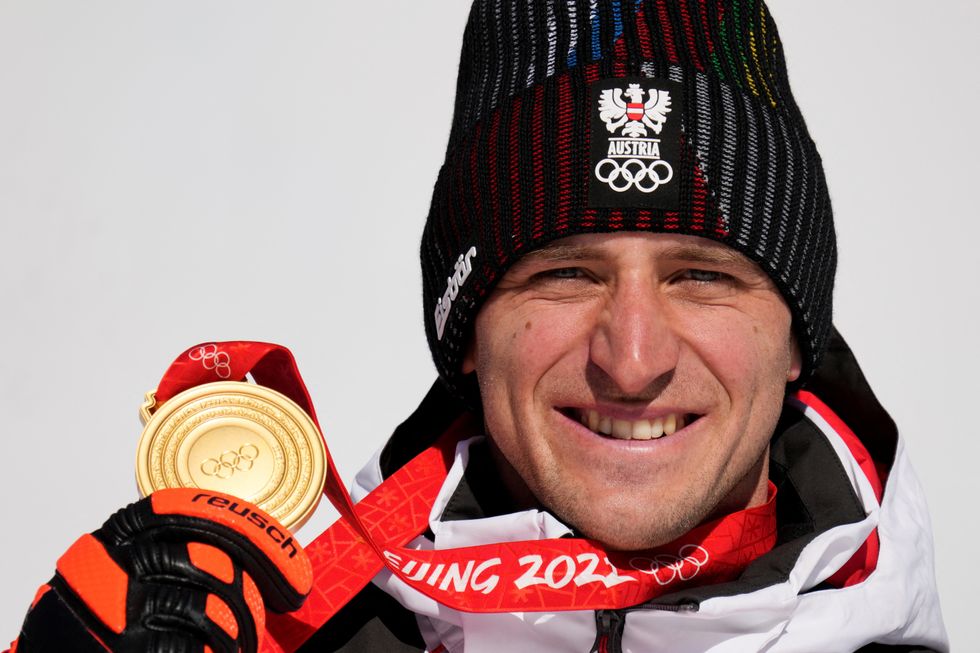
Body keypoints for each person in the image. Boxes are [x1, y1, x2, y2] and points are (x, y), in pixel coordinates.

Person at [7, 1, 949, 651]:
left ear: (796, 341)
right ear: (466, 331)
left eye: (701, 276)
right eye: (566, 273)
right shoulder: (272, 636)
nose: (632, 359)